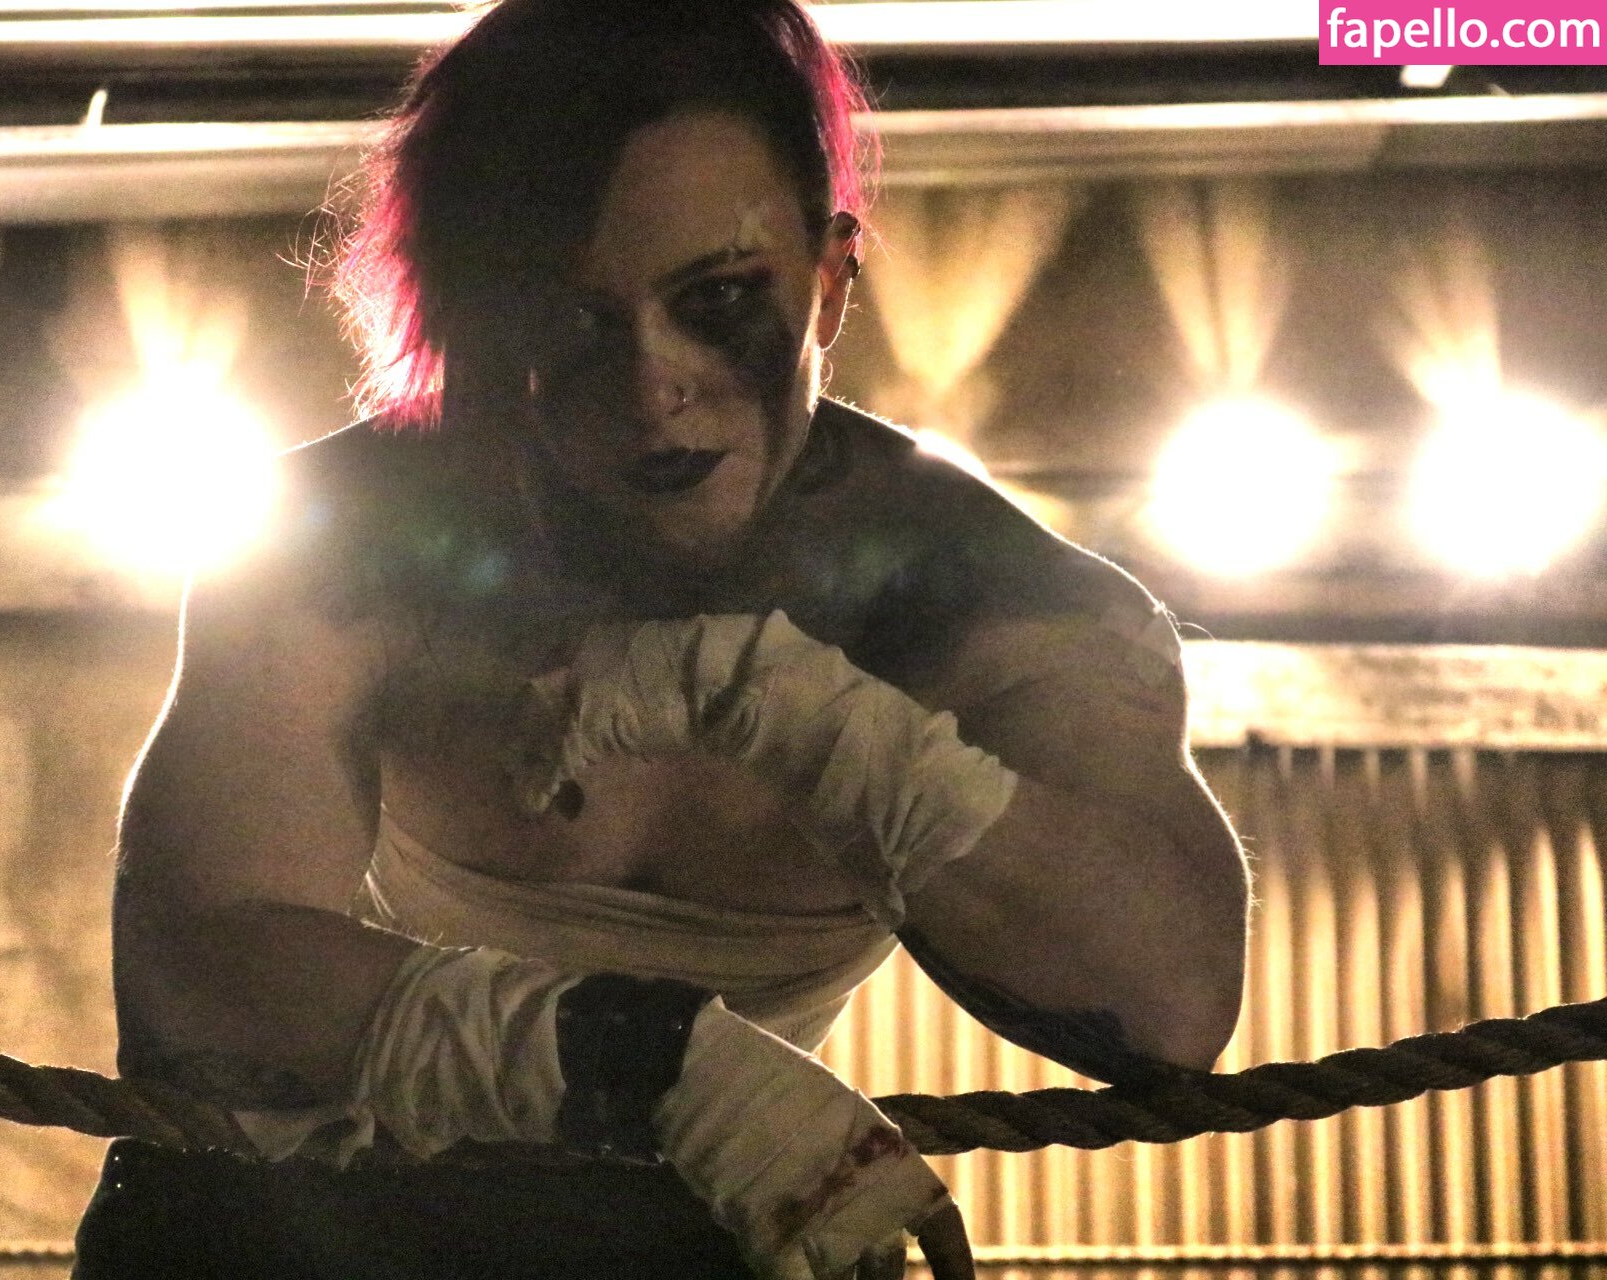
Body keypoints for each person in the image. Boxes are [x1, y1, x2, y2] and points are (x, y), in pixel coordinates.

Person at [71, 2, 1251, 1276]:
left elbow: (1169, 1000)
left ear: (829, 283)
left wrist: (800, 710)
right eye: (570, 317)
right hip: (319, 1211)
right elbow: (197, 975)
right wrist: (653, 1066)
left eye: (721, 298)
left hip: (685, 1224)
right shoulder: (343, 542)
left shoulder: (976, 597)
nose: (653, 384)